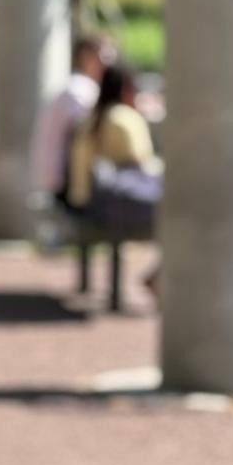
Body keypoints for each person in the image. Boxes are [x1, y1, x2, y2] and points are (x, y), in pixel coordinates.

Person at [67, 61, 163, 300]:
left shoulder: (91, 117)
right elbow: (144, 165)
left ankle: (158, 276)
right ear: (126, 90)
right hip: (112, 207)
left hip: (85, 201)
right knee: (183, 218)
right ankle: (159, 276)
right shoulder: (125, 119)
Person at [30, 35, 114, 207]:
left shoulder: (77, 87)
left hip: (60, 179)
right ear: (85, 57)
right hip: (66, 183)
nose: (110, 64)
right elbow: (93, 132)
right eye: (105, 57)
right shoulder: (79, 90)